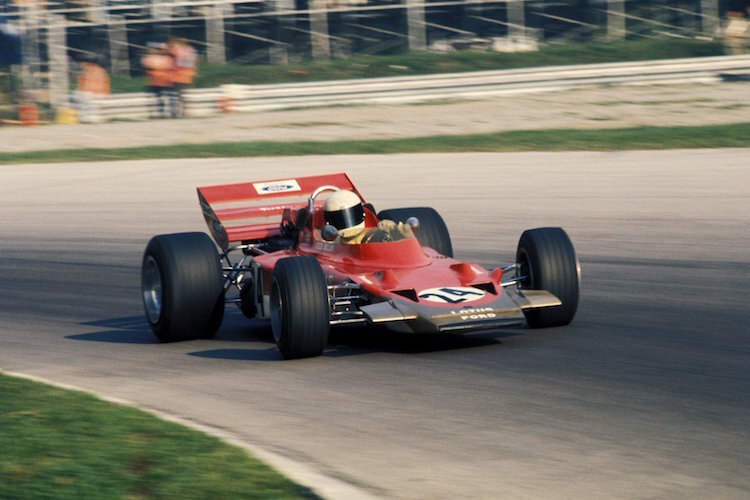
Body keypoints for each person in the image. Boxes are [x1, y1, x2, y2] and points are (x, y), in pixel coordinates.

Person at [323, 190, 414, 244]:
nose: (347, 222)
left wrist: (401, 231)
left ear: (363, 214)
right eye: (339, 219)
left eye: (351, 215)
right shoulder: (328, 242)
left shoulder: (377, 235)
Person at [167, 37, 197, 118]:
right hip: (187, 77)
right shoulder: (191, 50)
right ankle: (184, 112)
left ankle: (176, 113)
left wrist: (169, 47)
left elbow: (169, 53)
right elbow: (195, 61)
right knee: (183, 95)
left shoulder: (178, 50)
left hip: (177, 77)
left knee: (176, 96)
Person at [141, 43, 172, 118]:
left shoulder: (166, 58)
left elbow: (167, 67)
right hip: (152, 81)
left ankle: (162, 113)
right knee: (153, 98)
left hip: (163, 81)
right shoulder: (147, 58)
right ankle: (153, 113)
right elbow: (147, 66)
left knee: (162, 98)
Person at [75, 57, 110, 123]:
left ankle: (83, 118)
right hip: (101, 94)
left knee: (79, 96)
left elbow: (84, 86)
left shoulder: (86, 71)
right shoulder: (101, 70)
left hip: (92, 94)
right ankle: (87, 117)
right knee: (81, 96)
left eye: (81, 63)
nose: (80, 64)